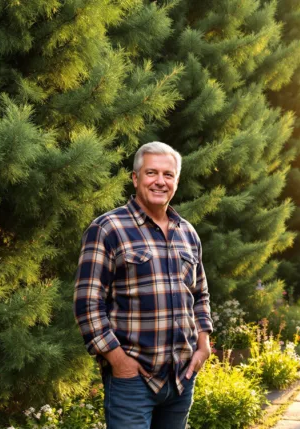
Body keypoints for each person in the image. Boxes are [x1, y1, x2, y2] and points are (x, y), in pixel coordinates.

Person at [74, 141, 213, 429]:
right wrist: (118, 362)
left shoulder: (187, 232)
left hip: (181, 378)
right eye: (151, 173)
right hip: (132, 381)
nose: (160, 181)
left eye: (168, 174)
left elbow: (200, 294)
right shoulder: (107, 228)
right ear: (135, 178)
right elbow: (87, 303)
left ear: (176, 181)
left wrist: (204, 345)